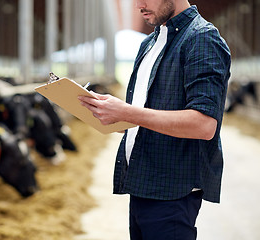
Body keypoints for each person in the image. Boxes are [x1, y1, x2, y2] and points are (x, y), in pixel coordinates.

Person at [78, 0, 231, 239]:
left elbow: (204, 124)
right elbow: (147, 117)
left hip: (172, 192)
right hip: (141, 182)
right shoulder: (149, 43)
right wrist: (109, 112)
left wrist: (127, 112)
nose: (138, 5)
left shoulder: (201, 38)